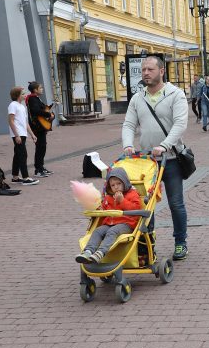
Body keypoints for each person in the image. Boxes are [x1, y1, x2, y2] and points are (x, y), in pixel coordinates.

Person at [122, 55, 190, 260]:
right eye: (143, 70)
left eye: (150, 69)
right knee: (144, 204)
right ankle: (146, 243)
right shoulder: (138, 97)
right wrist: (127, 144)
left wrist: (164, 145)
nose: (145, 73)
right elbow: (129, 124)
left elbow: (180, 124)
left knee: (175, 203)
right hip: (147, 163)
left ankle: (180, 242)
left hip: (170, 160)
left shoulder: (175, 94)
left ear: (161, 71)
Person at [75, 168, 141, 263]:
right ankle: (88, 252)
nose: (116, 187)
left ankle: (100, 252)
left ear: (125, 182)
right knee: (97, 231)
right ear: (109, 187)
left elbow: (135, 209)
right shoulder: (108, 197)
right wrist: (99, 209)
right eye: (113, 185)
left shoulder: (132, 194)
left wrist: (122, 201)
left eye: (119, 183)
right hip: (109, 223)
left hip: (126, 224)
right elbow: (104, 211)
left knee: (112, 231)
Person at [8, 86, 39, 185]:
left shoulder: (21, 106)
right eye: (23, 94)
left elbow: (25, 123)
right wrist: (16, 135)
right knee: (22, 154)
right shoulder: (13, 105)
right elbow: (11, 121)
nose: (25, 95)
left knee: (18, 155)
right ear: (17, 95)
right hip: (18, 134)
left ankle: (15, 177)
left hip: (22, 133)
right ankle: (26, 178)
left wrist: (32, 134)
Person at [26, 81, 54, 178]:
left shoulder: (36, 98)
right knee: (40, 147)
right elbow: (36, 111)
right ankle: (38, 169)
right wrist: (48, 114)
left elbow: (42, 108)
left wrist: (50, 108)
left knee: (42, 147)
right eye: (40, 88)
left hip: (40, 126)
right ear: (35, 90)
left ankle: (41, 167)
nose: (42, 89)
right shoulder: (32, 99)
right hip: (37, 126)